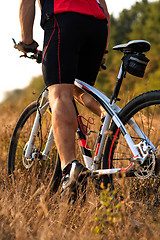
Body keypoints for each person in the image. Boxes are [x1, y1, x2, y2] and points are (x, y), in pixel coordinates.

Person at [17, 0, 110, 200]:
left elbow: (27, 2)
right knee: (78, 88)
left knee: (59, 93)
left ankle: (69, 169)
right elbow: (102, 4)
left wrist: (27, 42)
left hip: (64, 20)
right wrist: (102, 51)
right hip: (98, 26)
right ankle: (113, 117)